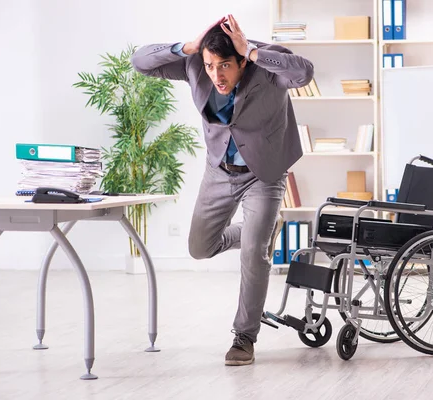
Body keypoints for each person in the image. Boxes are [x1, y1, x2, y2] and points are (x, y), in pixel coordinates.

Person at [131, 14, 314, 366]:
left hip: (263, 172)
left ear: (242, 59)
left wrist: (255, 52)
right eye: (211, 66)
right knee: (200, 247)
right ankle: (256, 232)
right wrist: (187, 47)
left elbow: (303, 73)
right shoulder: (196, 65)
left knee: (254, 256)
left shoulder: (266, 64)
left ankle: (244, 338)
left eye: (225, 66)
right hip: (219, 171)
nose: (217, 75)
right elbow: (140, 62)